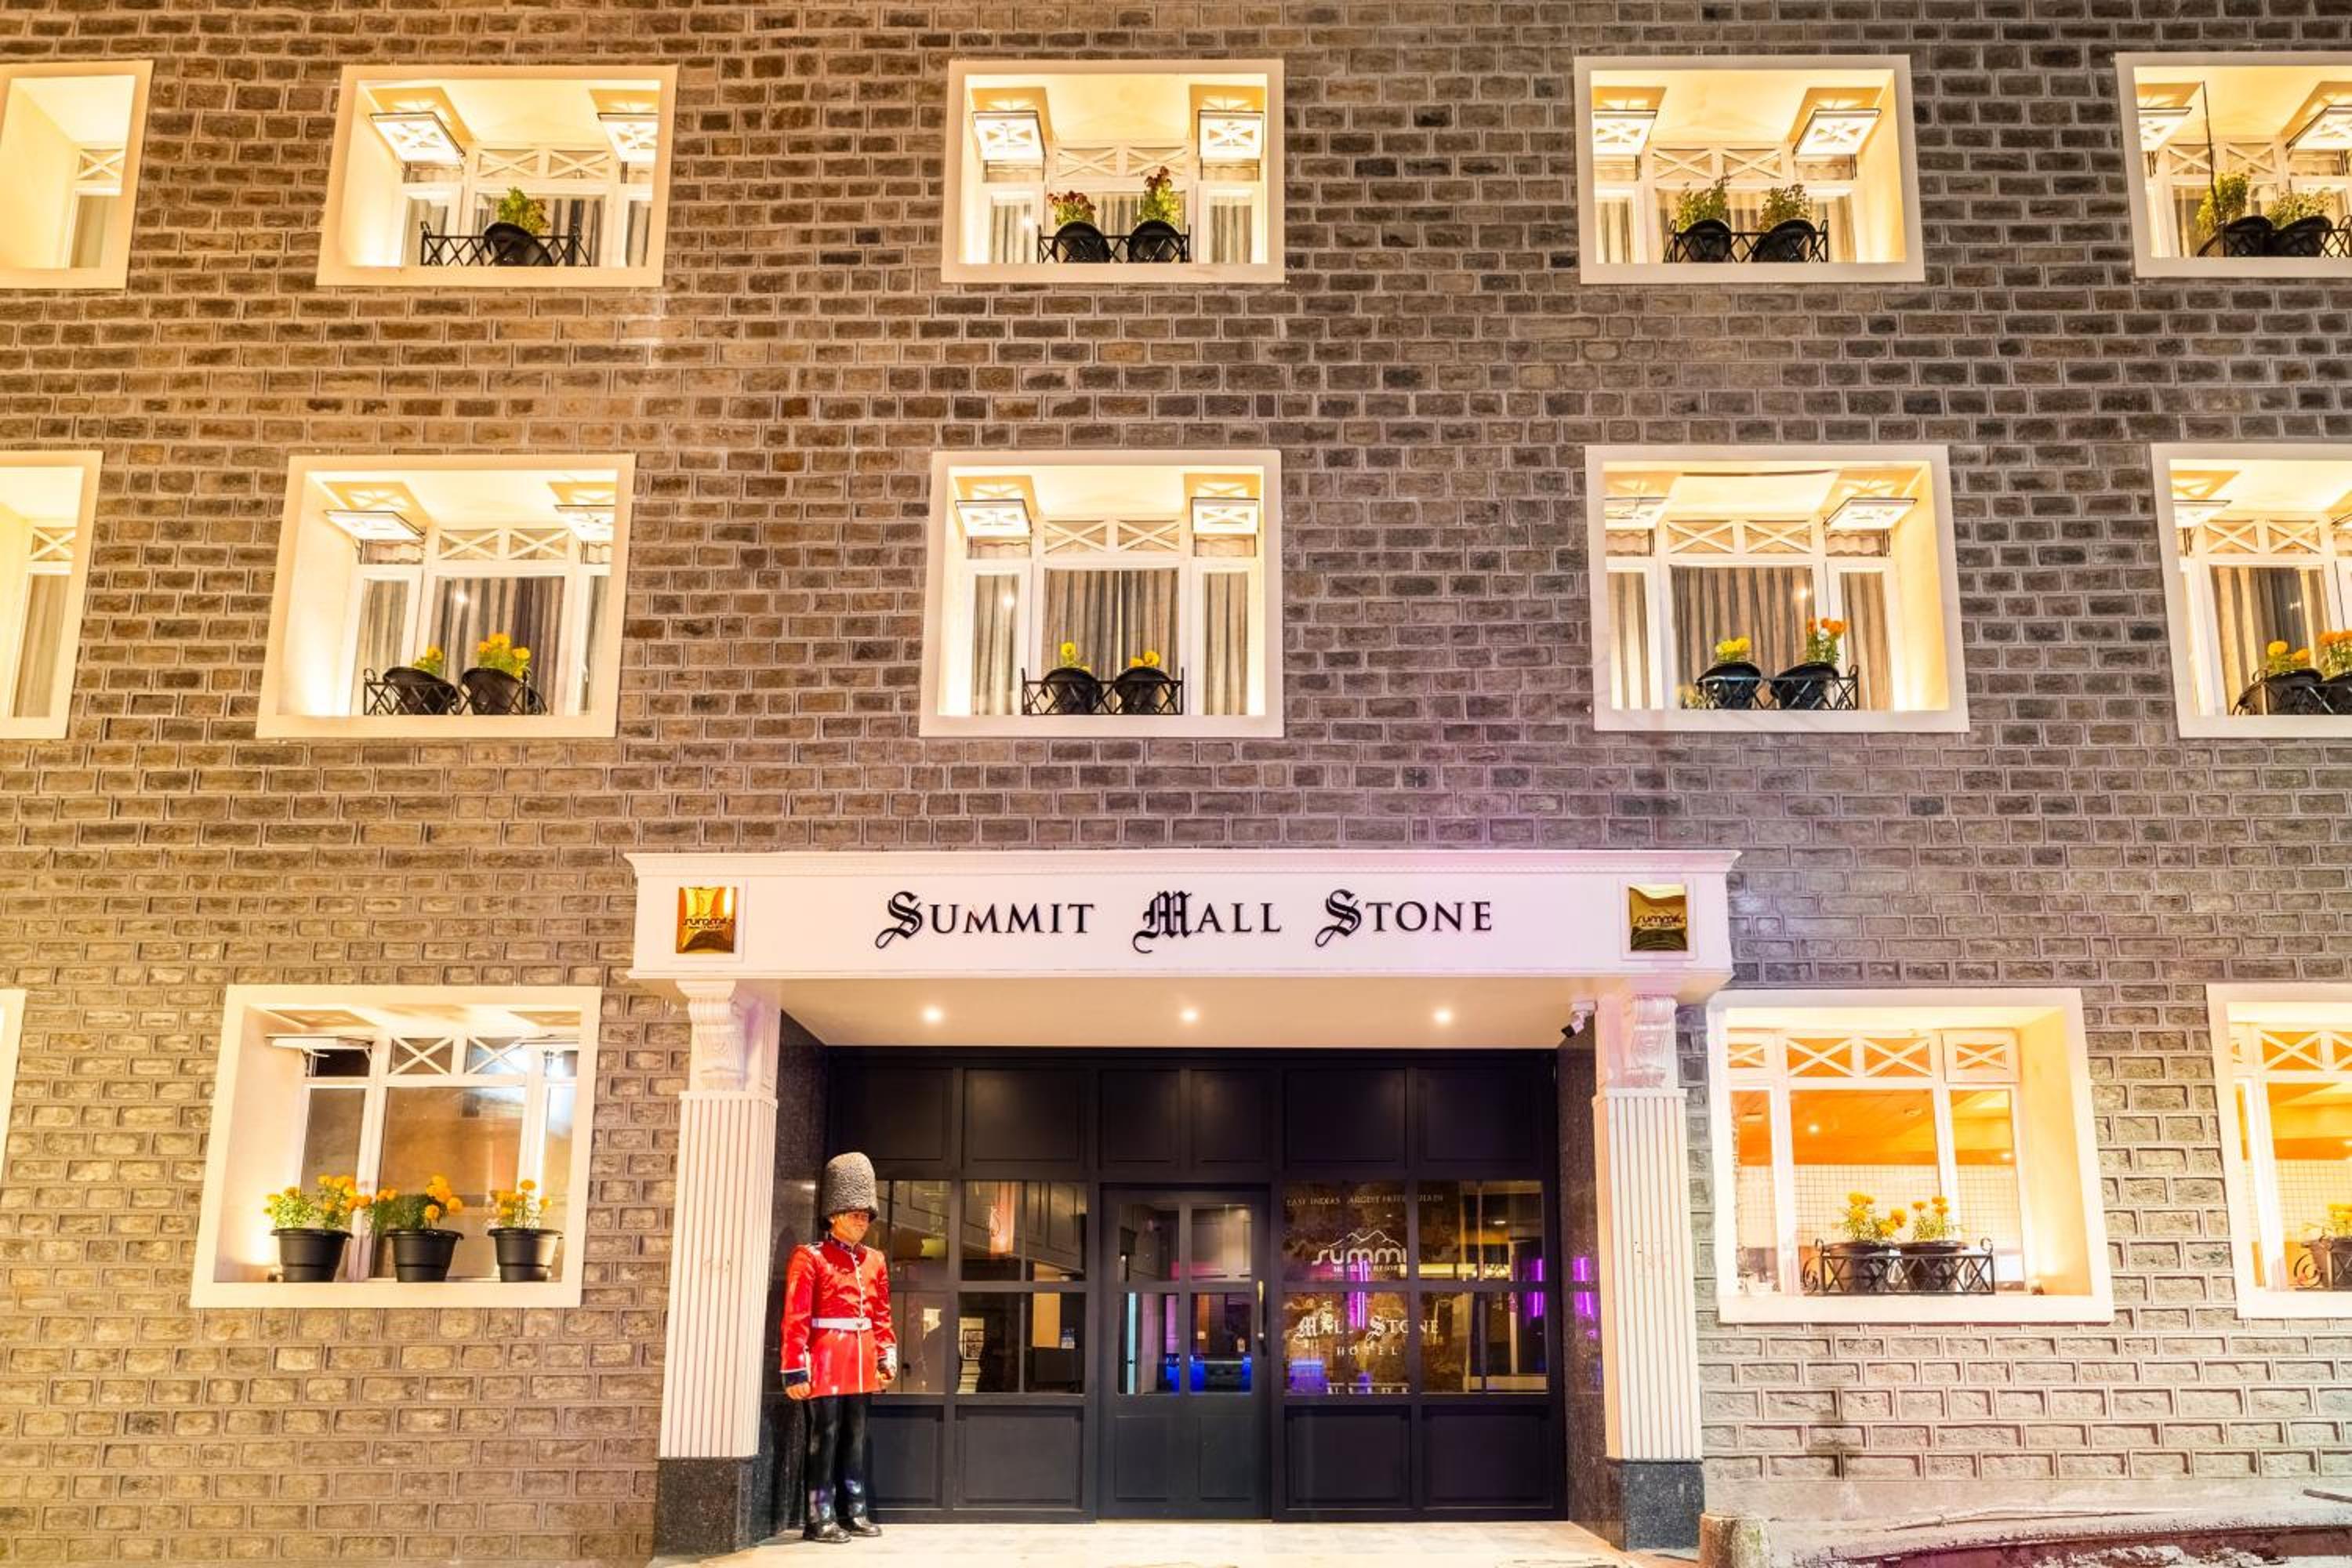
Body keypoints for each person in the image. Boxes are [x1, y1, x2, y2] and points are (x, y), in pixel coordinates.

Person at [780, 1152, 896, 1543]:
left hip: (862, 1360)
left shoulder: (874, 1260)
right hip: (825, 1359)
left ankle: (856, 1510)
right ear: (834, 1215)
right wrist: (795, 1368)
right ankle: (820, 1516)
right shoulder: (809, 1257)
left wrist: (885, 1357)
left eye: (866, 1216)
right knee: (825, 1438)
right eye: (855, 1214)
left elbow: (881, 1314)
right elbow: (796, 1316)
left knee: (856, 1438)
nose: (863, 1222)